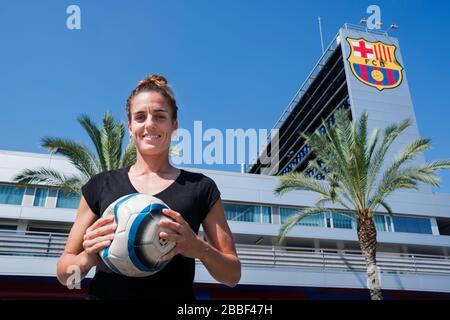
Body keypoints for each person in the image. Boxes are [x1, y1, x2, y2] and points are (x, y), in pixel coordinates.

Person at [56, 75, 241, 300]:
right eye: (140, 117)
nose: (150, 124)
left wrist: (198, 248)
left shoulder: (201, 188)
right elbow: (66, 276)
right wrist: (89, 257)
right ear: (130, 126)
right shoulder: (100, 185)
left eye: (160, 116)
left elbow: (232, 275)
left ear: (174, 125)